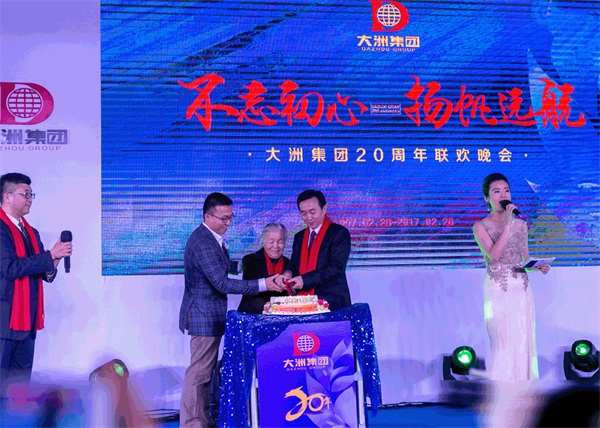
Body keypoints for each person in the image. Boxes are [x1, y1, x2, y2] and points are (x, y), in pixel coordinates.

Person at [178, 192, 284, 428]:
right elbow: (222, 283)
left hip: (210, 315)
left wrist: (252, 266)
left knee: (206, 373)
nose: (228, 223)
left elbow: (223, 267)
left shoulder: (211, 237)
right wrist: (263, 284)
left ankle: (202, 419)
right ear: (207, 216)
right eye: (223, 218)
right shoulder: (203, 242)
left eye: (230, 217)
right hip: (203, 315)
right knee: (199, 373)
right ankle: (192, 423)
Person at [472, 173, 550, 381]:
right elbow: (495, 256)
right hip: (498, 289)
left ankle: (526, 388)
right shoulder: (480, 226)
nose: (503, 195)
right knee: (503, 342)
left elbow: (523, 259)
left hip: (521, 290)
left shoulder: (521, 225)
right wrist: (507, 224)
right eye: (496, 191)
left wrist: (537, 267)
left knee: (523, 339)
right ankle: (504, 390)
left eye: (506, 191)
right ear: (486, 198)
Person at [0, 173, 72, 391]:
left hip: (27, 321)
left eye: (31, 194)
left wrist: (55, 259)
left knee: (19, 390)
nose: (30, 199)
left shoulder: (32, 232)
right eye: (25, 194)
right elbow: (10, 268)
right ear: (7, 196)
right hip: (4, 322)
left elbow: (43, 272)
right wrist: (49, 256)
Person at [277, 190, 352, 310]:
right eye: (303, 213)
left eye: (312, 212)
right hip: (302, 303)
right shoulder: (299, 236)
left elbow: (336, 267)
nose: (309, 218)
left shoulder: (339, 233)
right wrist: (288, 273)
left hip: (332, 303)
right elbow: (294, 263)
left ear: (324, 209)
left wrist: (304, 280)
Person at [237, 223, 290, 314]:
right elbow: (249, 281)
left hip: (282, 314)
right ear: (263, 241)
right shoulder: (250, 259)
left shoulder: (289, 264)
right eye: (271, 242)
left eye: (280, 242)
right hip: (253, 314)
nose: (276, 246)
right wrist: (276, 279)